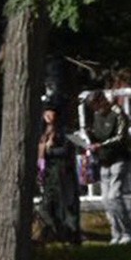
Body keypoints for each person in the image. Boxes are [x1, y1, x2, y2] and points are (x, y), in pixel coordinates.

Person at [85, 88, 131, 245]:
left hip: (118, 158)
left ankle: (128, 232)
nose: (96, 109)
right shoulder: (96, 116)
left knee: (115, 196)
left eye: (96, 104)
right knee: (106, 199)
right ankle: (116, 233)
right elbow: (97, 134)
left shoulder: (117, 113)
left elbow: (121, 136)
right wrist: (90, 139)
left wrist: (102, 144)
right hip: (104, 161)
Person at [36, 104, 84, 244]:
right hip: (48, 173)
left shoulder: (64, 132)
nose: (48, 117)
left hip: (63, 172)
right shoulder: (42, 132)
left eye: (51, 114)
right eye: (46, 114)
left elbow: (67, 150)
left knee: (67, 204)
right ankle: (54, 232)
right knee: (47, 206)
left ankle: (71, 235)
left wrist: (49, 151)